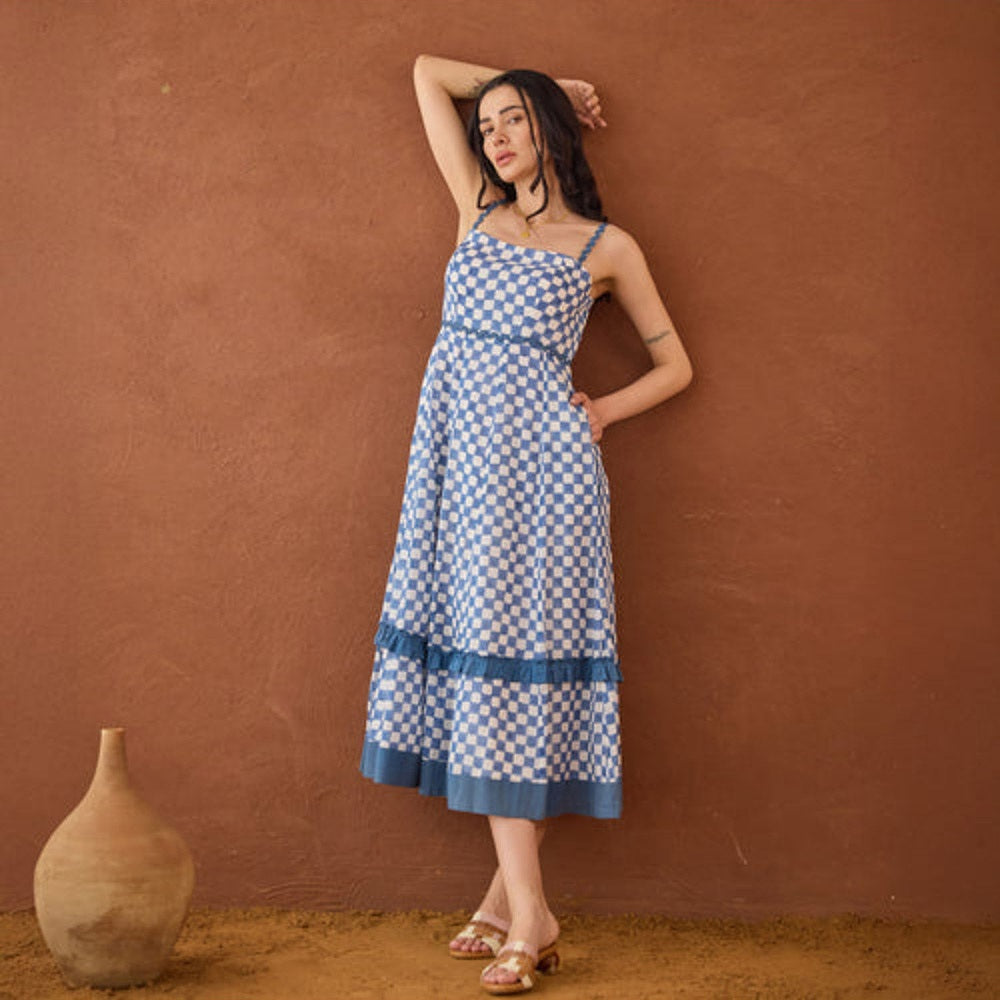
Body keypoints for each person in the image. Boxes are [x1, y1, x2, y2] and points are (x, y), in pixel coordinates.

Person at [360, 54, 693, 995]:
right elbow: (425, 74)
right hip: (457, 479)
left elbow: (676, 366)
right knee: (492, 678)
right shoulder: (475, 210)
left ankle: (531, 915)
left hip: (545, 486)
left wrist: (601, 412)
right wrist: (539, 84)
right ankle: (510, 900)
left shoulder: (606, 249)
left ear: (551, 129)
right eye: (490, 124)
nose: (496, 136)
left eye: (515, 119)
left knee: (515, 679)